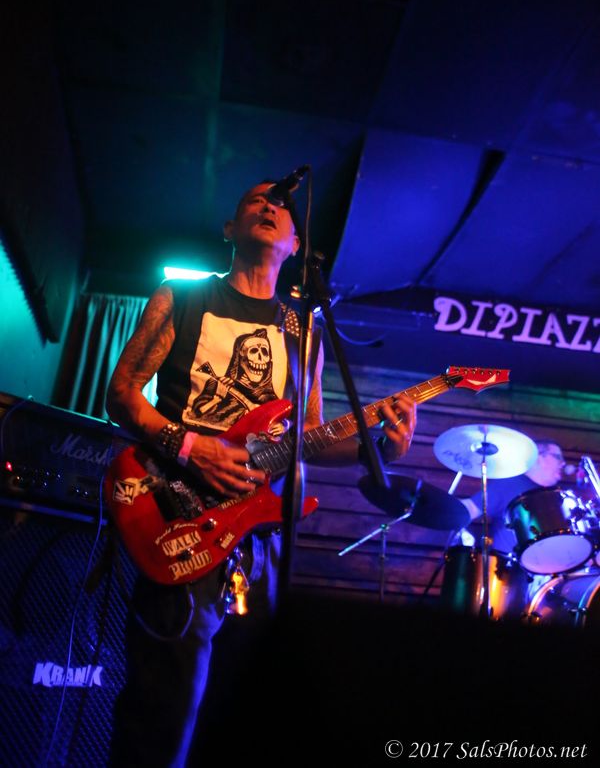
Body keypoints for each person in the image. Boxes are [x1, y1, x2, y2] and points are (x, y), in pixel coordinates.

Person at [106, 180, 417, 766]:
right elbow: (120, 394)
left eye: (281, 205)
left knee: (240, 719)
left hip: (258, 541)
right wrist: (190, 446)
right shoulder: (183, 297)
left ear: (297, 244)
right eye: (256, 200)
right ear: (230, 229)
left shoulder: (304, 331)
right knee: (165, 712)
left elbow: (310, 439)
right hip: (180, 513)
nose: (270, 205)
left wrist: (379, 449)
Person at [461, 439, 566, 554]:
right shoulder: (509, 484)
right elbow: (470, 509)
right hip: (509, 563)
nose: (563, 463)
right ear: (538, 458)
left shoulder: (555, 496)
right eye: (558, 457)